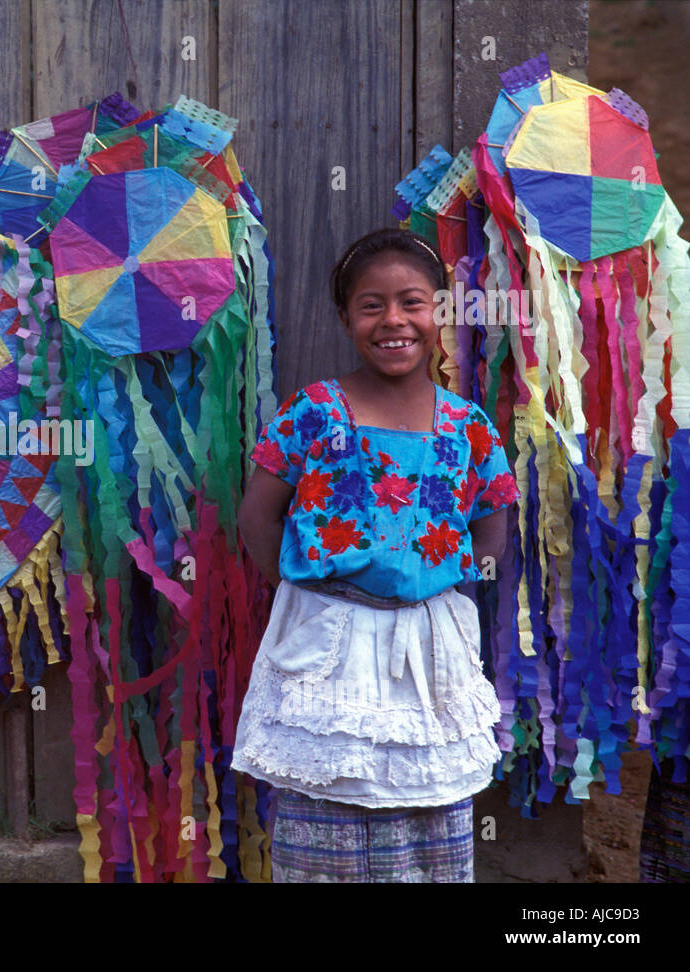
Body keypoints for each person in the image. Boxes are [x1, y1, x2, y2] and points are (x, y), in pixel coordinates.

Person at [233, 227, 520, 882]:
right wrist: (313, 596)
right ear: (345, 317)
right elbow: (258, 516)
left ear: (439, 312)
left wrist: (437, 587)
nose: (393, 320)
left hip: (427, 646)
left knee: (428, 810)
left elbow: (492, 526)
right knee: (325, 795)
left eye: (412, 302)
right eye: (371, 305)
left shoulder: (468, 427)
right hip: (327, 642)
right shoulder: (313, 413)